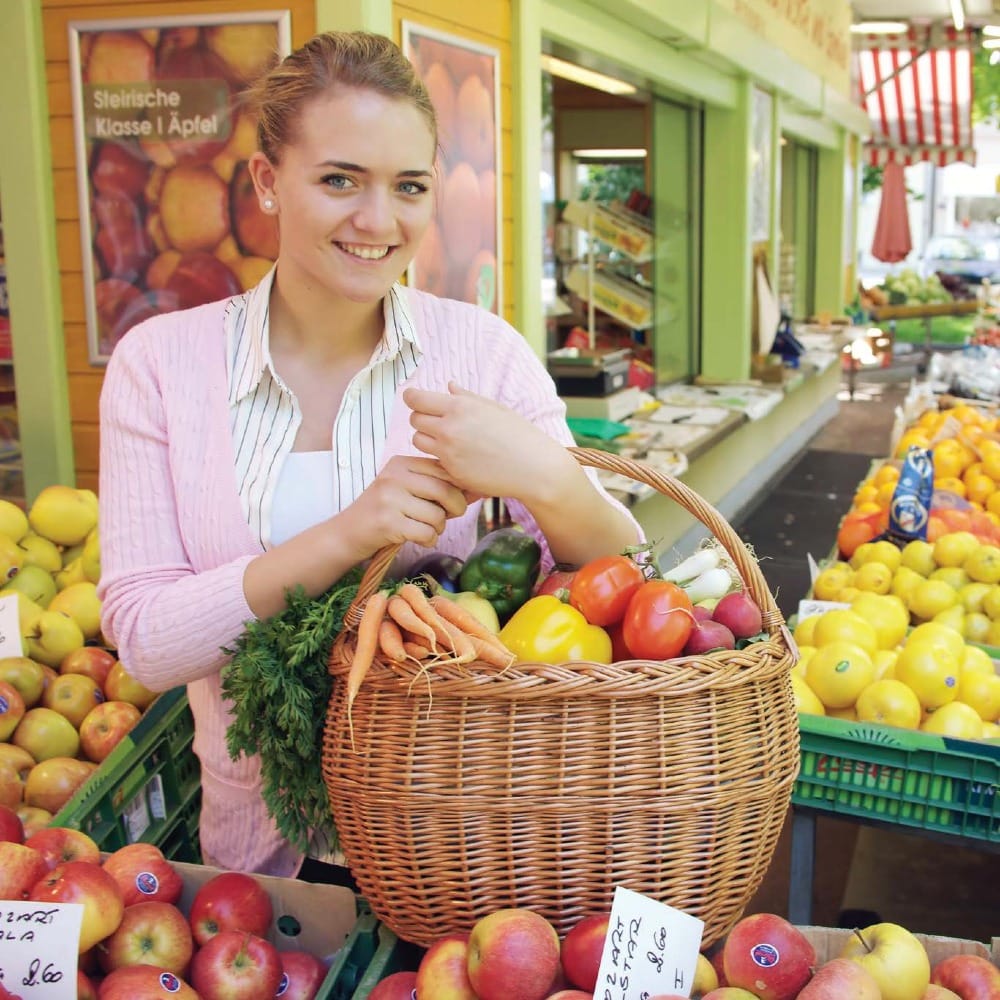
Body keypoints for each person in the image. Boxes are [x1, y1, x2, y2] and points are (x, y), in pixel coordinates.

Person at [97, 30, 642, 879]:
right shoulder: (160, 366)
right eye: (340, 180)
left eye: (410, 187)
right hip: (261, 854)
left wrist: (541, 471)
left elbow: (621, 574)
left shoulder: (484, 355)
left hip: (464, 835)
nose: (378, 221)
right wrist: (352, 533)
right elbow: (148, 644)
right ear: (268, 182)